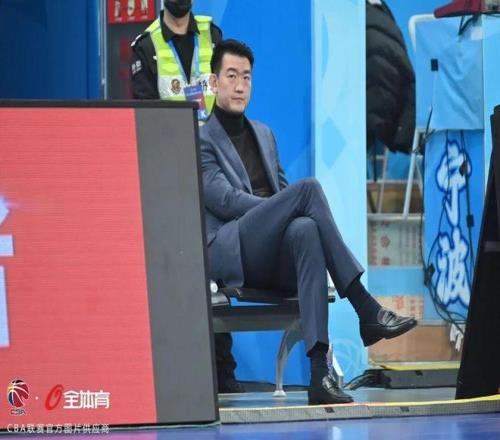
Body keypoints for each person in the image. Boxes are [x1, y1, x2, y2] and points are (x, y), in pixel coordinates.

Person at [200, 39, 418, 405]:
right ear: (213, 82)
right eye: (231, 76)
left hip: (271, 250)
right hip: (233, 247)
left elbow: (285, 193)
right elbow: (225, 201)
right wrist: (276, 208)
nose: (239, 86)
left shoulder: (264, 134)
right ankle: (364, 305)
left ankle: (319, 374)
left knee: (306, 229)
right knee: (308, 190)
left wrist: (282, 209)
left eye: (246, 77)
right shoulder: (201, 139)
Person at [131, 1, 241, 394]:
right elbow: (144, 120)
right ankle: (176, 377)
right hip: (171, 178)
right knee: (176, 276)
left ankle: (224, 375)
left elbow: (227, 100)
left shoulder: (213, 34)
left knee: (218, 274)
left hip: (215, 171)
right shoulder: (146, 46)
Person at [131, 0, 222, 122]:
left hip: (213, 133)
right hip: (169, 132)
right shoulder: (146, 46)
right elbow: (146, 115)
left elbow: (225, 94)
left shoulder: (212, 34)